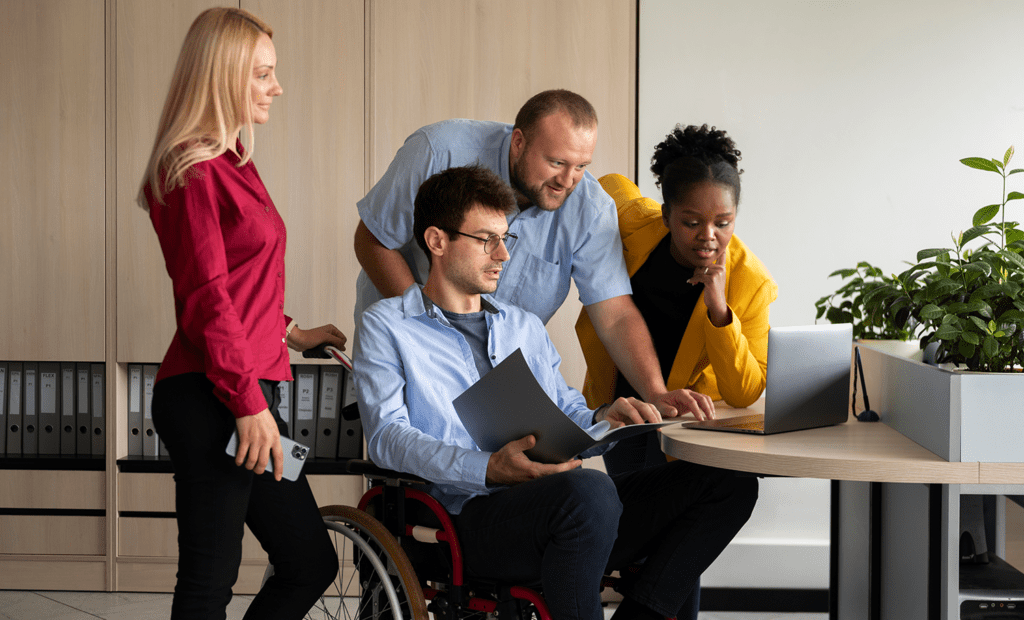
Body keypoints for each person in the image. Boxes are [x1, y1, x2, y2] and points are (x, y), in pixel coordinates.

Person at [355, 164, 758, 620]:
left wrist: (607, 417)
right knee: (588, 493)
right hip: (461, 518)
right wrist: (488, 468)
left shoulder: (521, 325)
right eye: (487, 239)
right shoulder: (387, 326)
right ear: (437, 241)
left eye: (507, 238)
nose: (503, 255)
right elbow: (388, 436)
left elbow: (564, 408)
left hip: (557, 505)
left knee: (726, 482)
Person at [137, 8, 343, 619]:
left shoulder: (233, 165)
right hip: (215, 396)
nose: (276, 87)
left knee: (309, 562)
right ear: (222, 76)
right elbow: (206, 297)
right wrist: (248, 405)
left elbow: (241, 283)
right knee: (210, 578)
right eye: (262, 75)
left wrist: (292, 332)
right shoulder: (194, 169)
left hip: (248, 389)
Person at [353, 89, 714, 420]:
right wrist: (430, 336)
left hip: (498, 369)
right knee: (417, 463)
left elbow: (615, 315)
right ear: (519, 142)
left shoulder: (590, 209)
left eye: (582, 166)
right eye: (556, 162)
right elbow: (373, 240)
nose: (568, 181)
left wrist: (656, 392)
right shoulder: (438, 151)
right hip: (409, 338)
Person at [577, 124, 778, 476]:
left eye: (723, 222)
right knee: (629, 509)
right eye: (691, 222)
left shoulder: (751, 281)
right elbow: (607, 185)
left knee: (663, 508)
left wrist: (719, 311)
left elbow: (745, 392)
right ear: (666, 214)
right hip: (621, 401)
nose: (708, 236)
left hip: (685, 418)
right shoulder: (635, 225)